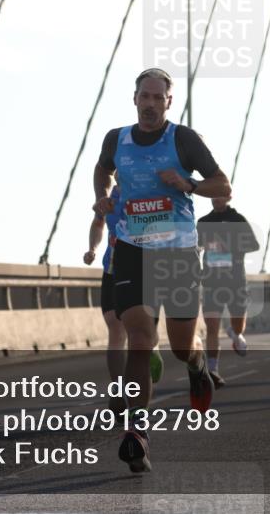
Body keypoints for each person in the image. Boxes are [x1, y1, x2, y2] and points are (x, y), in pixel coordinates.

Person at [93, 67, 231, 473]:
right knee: (139, 335)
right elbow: (103, 168)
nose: (150, 104)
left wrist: (187, 184)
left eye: (158, 98)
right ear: (134, 99)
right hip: (134, 249)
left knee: (179, 345)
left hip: (178, 253)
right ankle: (137, 432)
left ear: (169, 102)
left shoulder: (183, 140)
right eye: (144, 97)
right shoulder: (116, 139)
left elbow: (222, 186)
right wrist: (102, 196)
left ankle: (197, 362)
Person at [84, 182, 164, 414]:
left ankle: (153, 345)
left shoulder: (150, 191)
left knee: (139, 332)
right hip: (112, 269)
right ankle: (119, 391)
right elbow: (98, 223)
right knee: (115, 329)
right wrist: (92, 248)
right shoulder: (108, 197)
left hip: (141, 269)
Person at [198, 195, 260, 389]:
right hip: (211, 281)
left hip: (235, 281)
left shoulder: (238, 219)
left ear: (228, 197)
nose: (216, 199)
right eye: (213, 195)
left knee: (238, 324)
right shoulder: (203, 222)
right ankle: (212, 369)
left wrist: (231, 245)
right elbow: (196, 246)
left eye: (220, 195)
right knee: (212, 327)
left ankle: (235, 333)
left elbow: (254, 245)